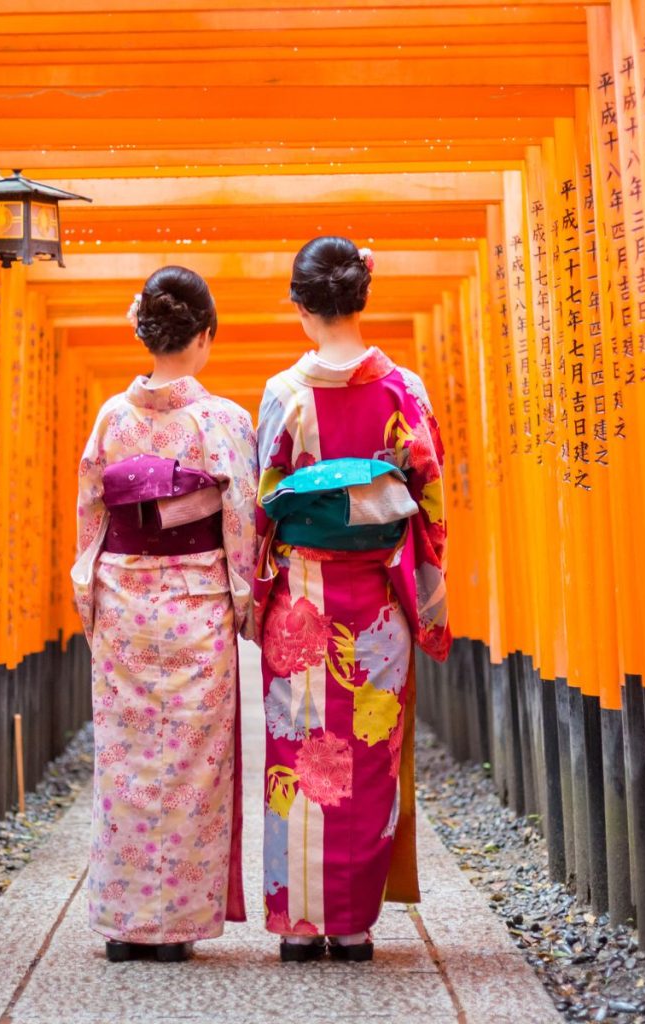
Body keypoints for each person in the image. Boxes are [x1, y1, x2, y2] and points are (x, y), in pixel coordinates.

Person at [254, 236, 451, 963]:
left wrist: (257, 590)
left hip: (303, 601)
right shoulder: (406, 390)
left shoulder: (284, 395)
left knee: (299, 750)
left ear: (302, 306)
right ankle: (353, 925)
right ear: (362, 296)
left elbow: (264, 502)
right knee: (367, 756)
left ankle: (299, 924)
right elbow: (427, 507)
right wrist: (425, 591)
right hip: (376, 609)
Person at [72, 266, 258, 963]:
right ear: (205, 336)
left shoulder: (112, 419)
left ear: (145, 332)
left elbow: (91, 517)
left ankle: (125, 923)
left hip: (123, 602)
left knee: (125, 760)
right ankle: (173, 925)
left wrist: (89, 596)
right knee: (189, 764)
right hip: (195, 604)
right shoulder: (224, 421)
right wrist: (246, 605)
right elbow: (241, 523)